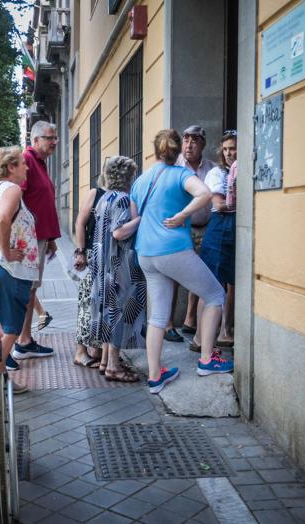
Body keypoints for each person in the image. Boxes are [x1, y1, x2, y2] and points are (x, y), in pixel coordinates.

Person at [130, 129, 233, 394]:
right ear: (177, 151)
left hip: (145, 253)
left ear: (155, 150)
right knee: (215, 295)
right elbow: (206, 194)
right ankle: (208, 359)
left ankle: (155, 376)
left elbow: (134, 215)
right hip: (173, 249)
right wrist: (182, 215)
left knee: (159, 315)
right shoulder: (181, 174)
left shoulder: (141, 180)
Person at [0, 146, 38, 395]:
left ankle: (2, 379)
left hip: (1, 269)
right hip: (11, 270)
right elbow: (2, 219)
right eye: (22, 163)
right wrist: (6, 251)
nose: (27, 167)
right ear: (11, 167)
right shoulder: (12, 190)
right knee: (11, 329)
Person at [89, 156, 146, 382]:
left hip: (102, 262)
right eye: (133, 174)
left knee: (106, 310)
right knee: (118, 311)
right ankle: (113, 366)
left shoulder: (104, 198)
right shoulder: (123, 199)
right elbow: (119, 232)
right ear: (127, 176)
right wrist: (141, 219)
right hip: (118, 262)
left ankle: (105, 361)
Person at [162, 125, 218, 342]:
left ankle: (190, 319)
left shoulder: (212, 169)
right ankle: (168, 324)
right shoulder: (174, 168)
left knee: (200, 274)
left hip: (205, 228)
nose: (189, 144)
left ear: (202, 144)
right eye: (186, 140)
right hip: (179, 228)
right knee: (173, 277)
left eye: (195, 140)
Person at [13, 120, 61, 361]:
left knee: (31, 290)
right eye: (50, 138)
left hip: (39, 237)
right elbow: (16, 197)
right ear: (35, 141)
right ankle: (22, 341)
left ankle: (24, 339)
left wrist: (51, 237)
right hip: (29, 239)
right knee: (28, 289)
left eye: (55, 138)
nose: (55, 142)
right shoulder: (27, 161)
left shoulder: (39, 162)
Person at [192, 132, 238, 350]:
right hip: (219, 229)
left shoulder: (237, 171)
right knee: (212, 286)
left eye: (234, 148)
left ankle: (224, 331)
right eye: (226, 149)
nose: (229, 153)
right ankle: (199, 339)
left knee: (231, 285)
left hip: (233, 230)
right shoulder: (216, 173)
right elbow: (219, 204)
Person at [72, 175, 107, 368]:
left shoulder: (123, 195)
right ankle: (80, 351)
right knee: (87, 302)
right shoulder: (96, 193)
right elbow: (80, 222)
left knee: (102, 306)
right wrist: (80, 252)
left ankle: (96, 349)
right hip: (93, 254)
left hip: (109, 258)